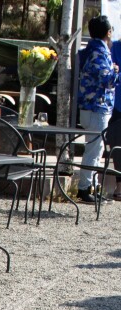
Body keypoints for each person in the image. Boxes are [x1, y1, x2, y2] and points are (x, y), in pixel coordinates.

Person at [77, 15, 120, 203]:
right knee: (94, 149)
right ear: (108, 32)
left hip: (91, 106)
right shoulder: (100, 52)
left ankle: (91, 187)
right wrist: (117, 72)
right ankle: (85, 188)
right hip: (96, 106)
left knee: (96, 147)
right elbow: (107, 80)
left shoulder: (92, 49)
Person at [105, 36, 121, 200]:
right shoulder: (114, 47)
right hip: (117, 105)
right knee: (118, 146)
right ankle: (119, 187)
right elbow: (110, 74)